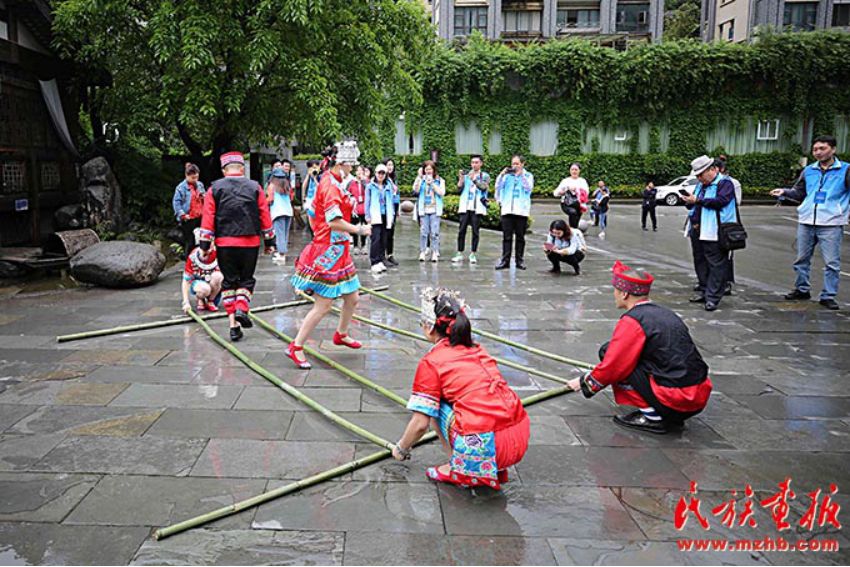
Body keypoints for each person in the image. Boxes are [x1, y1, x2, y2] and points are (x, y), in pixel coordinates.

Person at [391, 287, 530, 490]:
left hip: (484, 446)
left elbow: (420, 424)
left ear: (429, 327)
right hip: (519, 438)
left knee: (433, 406)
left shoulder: (432, 362)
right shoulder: (477, 349)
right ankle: (488, 466)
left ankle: (458, 467)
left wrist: (401, 448)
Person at [567, 261, 712, 435]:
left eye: (615, 290)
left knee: (609, 353)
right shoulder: (665, 313)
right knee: (617, 352)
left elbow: (614, 365)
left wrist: (585, 382)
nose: (614, 294)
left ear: (625, 294)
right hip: (697, 394)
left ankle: (653, 417)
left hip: (676, 397)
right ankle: (665, 412)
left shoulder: (633, 320)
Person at [288, 141, 371, 369]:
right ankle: (296, 346)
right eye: (351, 165)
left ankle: (341, 333)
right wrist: (360, 230)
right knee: (323, 305)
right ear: (341, 164)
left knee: (352, 298)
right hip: (329, 251)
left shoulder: (330, 180)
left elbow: (313, 211)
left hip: (339, 248)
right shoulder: (330, 186)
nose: (353, 169)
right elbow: (334, 222)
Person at [199, 152, 275, 342]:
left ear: (224, 170)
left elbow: (208, 218)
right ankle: (242, 308)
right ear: (242, 169)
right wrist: (269, 242)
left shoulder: (214, 189)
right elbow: (264, 214)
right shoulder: (255, 187)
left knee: (229, 282)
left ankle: (233, 326)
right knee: (246, 280)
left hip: (225, 244)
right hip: (250, 243)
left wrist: (204, 245)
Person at [770, 135, 850, 311]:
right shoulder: (809, 170)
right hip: (807, 220)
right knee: (801, 258)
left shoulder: (845, 170)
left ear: (833, 149)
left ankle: (828, 295)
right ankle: (802, 289)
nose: (818, 152)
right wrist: (784, 192)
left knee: (831, 262)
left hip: (831, 222)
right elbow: (799, 192)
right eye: (815, 149)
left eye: (822, 148)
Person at [681, 155, 738, 312]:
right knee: (700, 261)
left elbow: (721, 201)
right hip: (697, 229)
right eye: (697, 175)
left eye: (701, 175)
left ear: (712, 170)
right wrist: (688, 201)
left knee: (716, 264)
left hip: (715, 230)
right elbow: (694, 203)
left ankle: (713, 297)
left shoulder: (725, 183)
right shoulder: (701, 185)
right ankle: (704, 290)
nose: (699, 178)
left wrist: (697, 201)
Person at [494, 155, 534, 270]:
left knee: (520, 237)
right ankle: (505, 260)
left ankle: (519, 260)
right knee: (507, 237)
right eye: (513, 164)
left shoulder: (528, 175)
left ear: (522, 164)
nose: (514, 166)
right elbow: (498, 186)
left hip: (521, 211)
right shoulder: (507, 176)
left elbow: (528, 188)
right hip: (507, 209)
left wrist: (521, 176)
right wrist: (502, 174)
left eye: (517, 164)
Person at [452, 155, 490, 265]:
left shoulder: (485, 176)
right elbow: (459, 189)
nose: (474, 164)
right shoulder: (467, 175)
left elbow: (483, 187)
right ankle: (459, 252)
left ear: (481, 163)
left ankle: (473, 253)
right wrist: (461, 178)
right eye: (472, 162)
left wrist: (474, 179)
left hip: (477, 207)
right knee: (461, 230)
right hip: (465, 206)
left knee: (475, 231)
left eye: (476, 162)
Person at [716, 156, 741, 295]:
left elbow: (737, 201)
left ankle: (726, 282)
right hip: (714, 222)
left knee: (726, 255)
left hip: (728, 223)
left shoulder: (731, 183)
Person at [413, 160, 446, 263]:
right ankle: (423, 251)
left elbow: (442, 192)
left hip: (435, 209)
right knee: (423, 232)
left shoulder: (440, 180)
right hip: (424, 209)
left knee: (434, 233)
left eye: (430, 169)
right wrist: (419, 178)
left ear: (434, 170)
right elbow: (416, 190)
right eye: (426, 169)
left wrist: (432, 184)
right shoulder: (421, 180)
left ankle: (435, 252)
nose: (428, 171)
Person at [172, 163, 206, 259]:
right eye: (193, 178)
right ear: (186, 176)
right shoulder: (181, 187)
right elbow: (176, 203)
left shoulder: (200, 185)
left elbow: (205, 196)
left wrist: (204, 196)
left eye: (197, 177)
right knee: (189, 241)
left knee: (203, 238)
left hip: (200, 215)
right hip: (188, 217)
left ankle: (201, 258)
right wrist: (182, 214)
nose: (195, 180)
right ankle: (188, 260)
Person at [365, 164, 395, 274]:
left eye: (383, 173)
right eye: (379, 173)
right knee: (376, 238)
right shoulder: (370, 186)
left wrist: (392, 214)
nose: (381, 175)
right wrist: (367, 216)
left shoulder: (388, 186)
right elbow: (367, 202)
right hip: (375, 214)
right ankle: (374, 261)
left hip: (386, 214)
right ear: (375, 173)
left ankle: (381, 259)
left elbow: (391, 200)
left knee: (384, 238)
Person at [181, 236, 223, 314]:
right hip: (200, 284)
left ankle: (210, 300)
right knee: (204, 288)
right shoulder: (193, 256)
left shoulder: (218, 254)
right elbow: (186, 280)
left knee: (219, 276)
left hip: (214, 287)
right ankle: (201, 299)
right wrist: (186, 302)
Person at [268, 168, 294, 266]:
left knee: (279, 234)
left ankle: (281, 254)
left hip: (278, 212)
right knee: (285, 234)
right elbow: (291, 198)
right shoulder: (288, 186)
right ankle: (282, 252)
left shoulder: (272, 186)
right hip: (288, 211)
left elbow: (270, 199)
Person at [553, 163, 589, 229]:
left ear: (579, 171)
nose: (574, 171)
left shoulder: (582, 181)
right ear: (570, 171)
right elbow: (555, 193)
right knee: (573, 213)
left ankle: (573, 230)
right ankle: (572, 231)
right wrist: (565, 190)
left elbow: (586, 193)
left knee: (576, 219)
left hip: (579, 204)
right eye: (572, 169)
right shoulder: (565, 181)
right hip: (567, 203)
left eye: (576, 170)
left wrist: (577, 190)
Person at [384, 159, 400, 266]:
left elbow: (396, 194)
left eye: (391, 165)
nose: (390, 167)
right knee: (384, 233)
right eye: (388, 165)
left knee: (391, 233)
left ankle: (390, 254)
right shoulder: (382, 179)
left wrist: (397, 209)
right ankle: (382, 255)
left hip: (393, 207)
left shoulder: (394, 179)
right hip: (385, 209)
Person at [350, 165, 369, 256]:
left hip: (364, 207)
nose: (359, 172)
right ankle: (355, 245)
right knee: (355, 227)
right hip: (355, 208)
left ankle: (364, 245)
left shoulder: (366, 182)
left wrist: (364, 181)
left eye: (361, 170)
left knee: (364, 227)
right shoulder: (351, 183)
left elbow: (369, 192)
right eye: (358, 170)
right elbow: (347, 193)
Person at [301, 159, 321, 233]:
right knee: (311, 225)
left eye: (316, 167)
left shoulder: (321, 176)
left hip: (318, 202)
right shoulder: (309, 176)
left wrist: (315, 178)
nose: (314, 169)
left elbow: (320, 188)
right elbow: (304, 187)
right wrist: (308, 175)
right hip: (310, 202)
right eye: (312, 168)